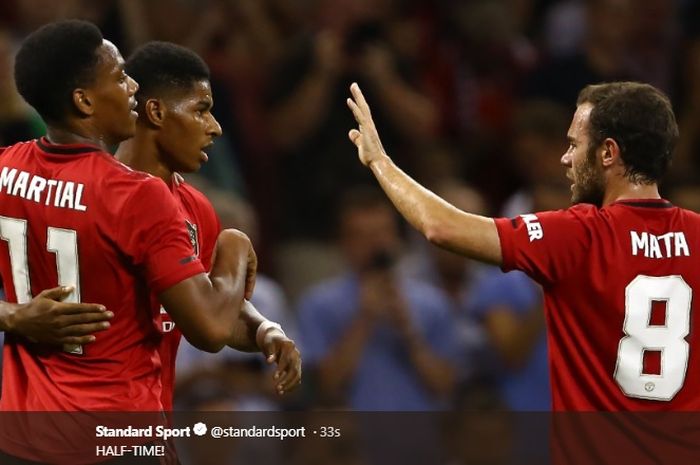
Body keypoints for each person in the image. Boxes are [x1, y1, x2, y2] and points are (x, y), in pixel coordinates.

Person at [346, 80, 700, 411]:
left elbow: (442, 227)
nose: (565, 158)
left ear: (608, 153)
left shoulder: (578, 233)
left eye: (575, 144)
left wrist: (380, 162)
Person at [0, 20, 254, 464]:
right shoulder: (137, 195)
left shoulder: (7, 168)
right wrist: (232, 246)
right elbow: (211, 329)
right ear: (84, 101)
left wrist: (14, 316)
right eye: (119, 77)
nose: (133, 85)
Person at [116, 40, 301, 411]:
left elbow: (213, 306)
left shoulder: (194, 205)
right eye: (201, 110)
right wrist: (233, 244)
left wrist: (264, 329)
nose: (215, 128)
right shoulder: (102, 194)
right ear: (155, 111)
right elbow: (211, 330)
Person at [297, 187, 457, 411]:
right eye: (362, 235)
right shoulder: (318, 304)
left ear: (396, 237)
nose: (375, 244)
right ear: (344, 243)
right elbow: (325, 385)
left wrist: (409, 332)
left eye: (382, 233)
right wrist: (364, 318)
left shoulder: (432, 302)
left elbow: (445, 386)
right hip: (350, 439)